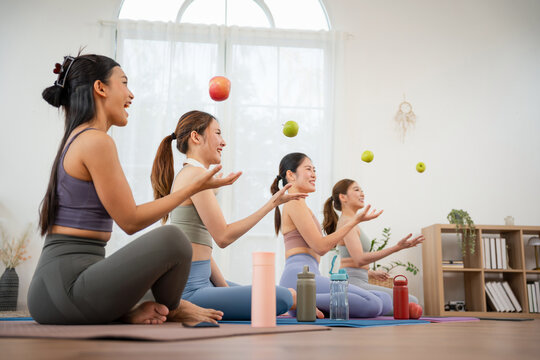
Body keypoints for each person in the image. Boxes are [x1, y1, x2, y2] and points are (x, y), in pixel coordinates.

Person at [28, 54, 241, 325]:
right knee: (173, 239)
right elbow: (130, 221)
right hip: (67, 290)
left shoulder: (79, 138)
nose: (131, 94)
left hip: (62, 288)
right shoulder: (95, 141)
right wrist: (193, 187)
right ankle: (173, 308)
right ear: (100, 88)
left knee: (164, 260)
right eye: (124, 83)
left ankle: (131, 311)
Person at [150, 110, 309, 320]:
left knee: (282, 295)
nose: (223, 142)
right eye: (217, 133)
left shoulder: (193, 175)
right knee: (284, 297)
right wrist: (272, 203)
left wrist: (224, 290)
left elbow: (203, 250)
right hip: (191, 292)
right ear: (196, 137)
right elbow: (223, 237)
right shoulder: (194, 176)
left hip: (201, 282)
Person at [271, 153, 393, 318]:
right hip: (298, 279)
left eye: (315, 170)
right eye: (308, 169)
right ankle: (296, 300)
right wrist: (354, 221)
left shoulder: (301, 204)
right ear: (290, 174)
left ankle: (304, 303)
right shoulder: (293, 202)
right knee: (372, 303)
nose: (314, 174)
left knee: (383, 299)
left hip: (311, 276)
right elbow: (321, 247)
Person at [322, 179, 424, 304]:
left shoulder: (351, 222)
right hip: (353, 283)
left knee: (410, 302)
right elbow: (359, 259)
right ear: (343, 197)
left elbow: (351, 260)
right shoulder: (347, 223)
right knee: (411, 302)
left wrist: (370, 273)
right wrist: (398, 247)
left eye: (362, 190)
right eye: (356, 190)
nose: (362, 194)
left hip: (360, 281)